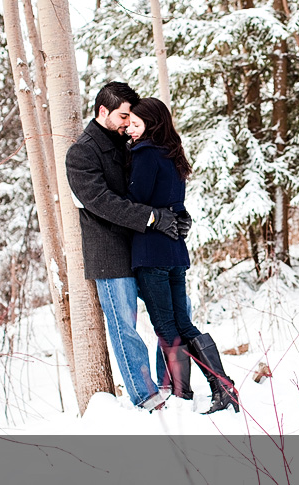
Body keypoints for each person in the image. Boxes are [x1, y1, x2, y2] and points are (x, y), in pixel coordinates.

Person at [65, 82, 190, 411]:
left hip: (147, 249)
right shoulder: (81, 154)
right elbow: (102, 202)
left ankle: (171, 385)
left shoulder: (130, 142)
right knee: (125, 325)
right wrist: (153, 217)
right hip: (110, 252)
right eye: (123, 116)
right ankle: (147, 396)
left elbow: (156, 185)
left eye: (130, 117)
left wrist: (178, 215)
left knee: (178, 313)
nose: (127, 122)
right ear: (102, 111)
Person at [126, 97, 239, 414]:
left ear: (151, 123)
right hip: (174, 251)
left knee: (166, 327)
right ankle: (223, 387)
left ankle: (182, 395)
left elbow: (135, 201)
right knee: (182, 324)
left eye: (136, 124)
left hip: (152, 253)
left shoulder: (145, 155)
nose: (130, 131)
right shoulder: (172, 155)